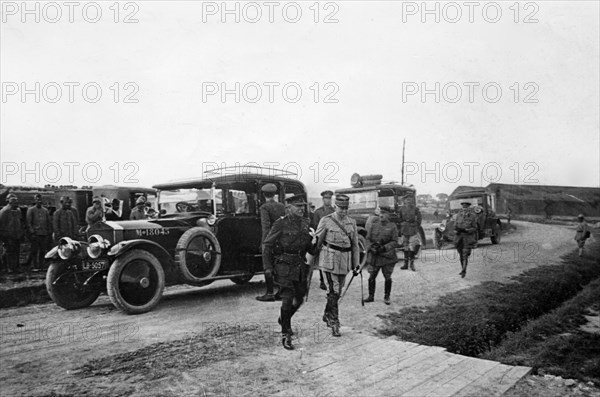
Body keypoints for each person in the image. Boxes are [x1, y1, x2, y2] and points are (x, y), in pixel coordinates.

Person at [262, 195, 316, 350]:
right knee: (287, 297)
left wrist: (316, 243)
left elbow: (309, 249)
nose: (301, 209)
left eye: (303, 206)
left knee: (300, 298)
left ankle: (283, 319)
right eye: (298, 206)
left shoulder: (306, 223)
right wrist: (268, 267)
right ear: (289, 208)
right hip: (283, 265)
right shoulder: (281, 223)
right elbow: (267, 245)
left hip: (299, 265)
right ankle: (286, 334)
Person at [314, 194, 359, 337]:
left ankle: (327, 314)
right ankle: (334, 322)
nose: (343, 211)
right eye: (341, 208)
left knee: (338, 292)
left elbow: (355, 246)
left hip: (344, 261)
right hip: (329, 259)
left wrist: (356, 264)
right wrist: (310, 260)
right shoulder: (326, 220)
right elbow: (317, 241)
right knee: (334, 290)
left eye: (346, 208)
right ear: (335, 206)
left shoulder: (352, 222)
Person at [256, 183, 286, 302]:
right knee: (278, 266)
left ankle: (269, 293)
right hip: (280, 241)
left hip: (269, 241)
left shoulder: (264, 207)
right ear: (274, 194)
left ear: (264, 195)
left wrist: (264, 243)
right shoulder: (282, 206)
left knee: (267, 265)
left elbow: (266, 227)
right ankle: (280, 293)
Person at [364, 212, 399, 305]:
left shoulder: (392, 226)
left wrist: (384, 248)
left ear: (388, 215)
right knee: (372, 276)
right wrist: (371, 247)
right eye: (380, 214)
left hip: (387, 256)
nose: (381, 216)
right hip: (375, 256)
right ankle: (371, 296)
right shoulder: (373, 225)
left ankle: (387, 297)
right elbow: (367, 238)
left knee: (387, 276)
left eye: (384, 214)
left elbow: (395, 241)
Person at [312, 190, 335, 291]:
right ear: (323, 199)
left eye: (329, 198)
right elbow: (315, 225)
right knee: (322, 260)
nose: (328, 200)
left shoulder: (335, 211)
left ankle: (331, 280)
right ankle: (322, 281)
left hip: (332, 239)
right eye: (326, 198)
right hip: (322, 239)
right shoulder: (318, 212)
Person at [26, 194, 52, 271]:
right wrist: (32, 232)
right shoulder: (31, 210)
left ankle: (41, 265)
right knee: (34, 250)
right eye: (37, 199)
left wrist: (48, 232)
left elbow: (48, 222)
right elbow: (29, 223)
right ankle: (35, 266)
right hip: (35, 234)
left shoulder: (45, 210)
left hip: (44, 233)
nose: (39, 201)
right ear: (35, 200)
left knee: (42, 250)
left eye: (40, 199)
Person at [0, 194, 25, 273]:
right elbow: (2, 225)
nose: (16, 204)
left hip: (17, 235)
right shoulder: (4, 211)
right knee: (9, 252)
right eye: (14, 202)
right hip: (8, 235)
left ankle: (16, 267)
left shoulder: (18, 211)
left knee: (16, 251)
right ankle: (9, 268)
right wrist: (4, 236)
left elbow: (20, 222)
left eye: (16, 202)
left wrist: (21, 232)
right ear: (9, 202)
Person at [454, 201, 478, 278]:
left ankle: (464, 270)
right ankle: (462, 268)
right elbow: (454, 226)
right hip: (459, 238)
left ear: (469, 208)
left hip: (467, 238)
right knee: (461, 255)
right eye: (463, 208)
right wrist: (456, 230)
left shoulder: (473, 216)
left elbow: (475, 228)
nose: (464, 209)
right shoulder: (458, 215)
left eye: (466, 208)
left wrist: (467, 230)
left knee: (464, 255)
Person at [398, 195, 422, 271]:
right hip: (405, 229)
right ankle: (405, 264)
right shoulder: (402, 209)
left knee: (411, 246)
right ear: (404, 201)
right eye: (407, 200)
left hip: (412, 229)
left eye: (410, 200)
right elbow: (400, 218)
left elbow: (419, 218)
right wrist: (402, 224)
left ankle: (412, 264)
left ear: (412, 200)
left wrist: (416, 225)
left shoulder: (415, 209)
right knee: (405, 246)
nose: (408, 201)